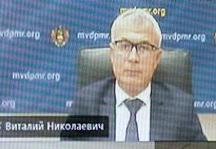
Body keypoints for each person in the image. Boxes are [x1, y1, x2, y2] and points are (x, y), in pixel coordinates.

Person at [68, 10, 206, 141]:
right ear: (112, 53)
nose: (133, 58)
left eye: (143, 48)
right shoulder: (87, 103)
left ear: (157, 58)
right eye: (124, 46)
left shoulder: (181, 108)